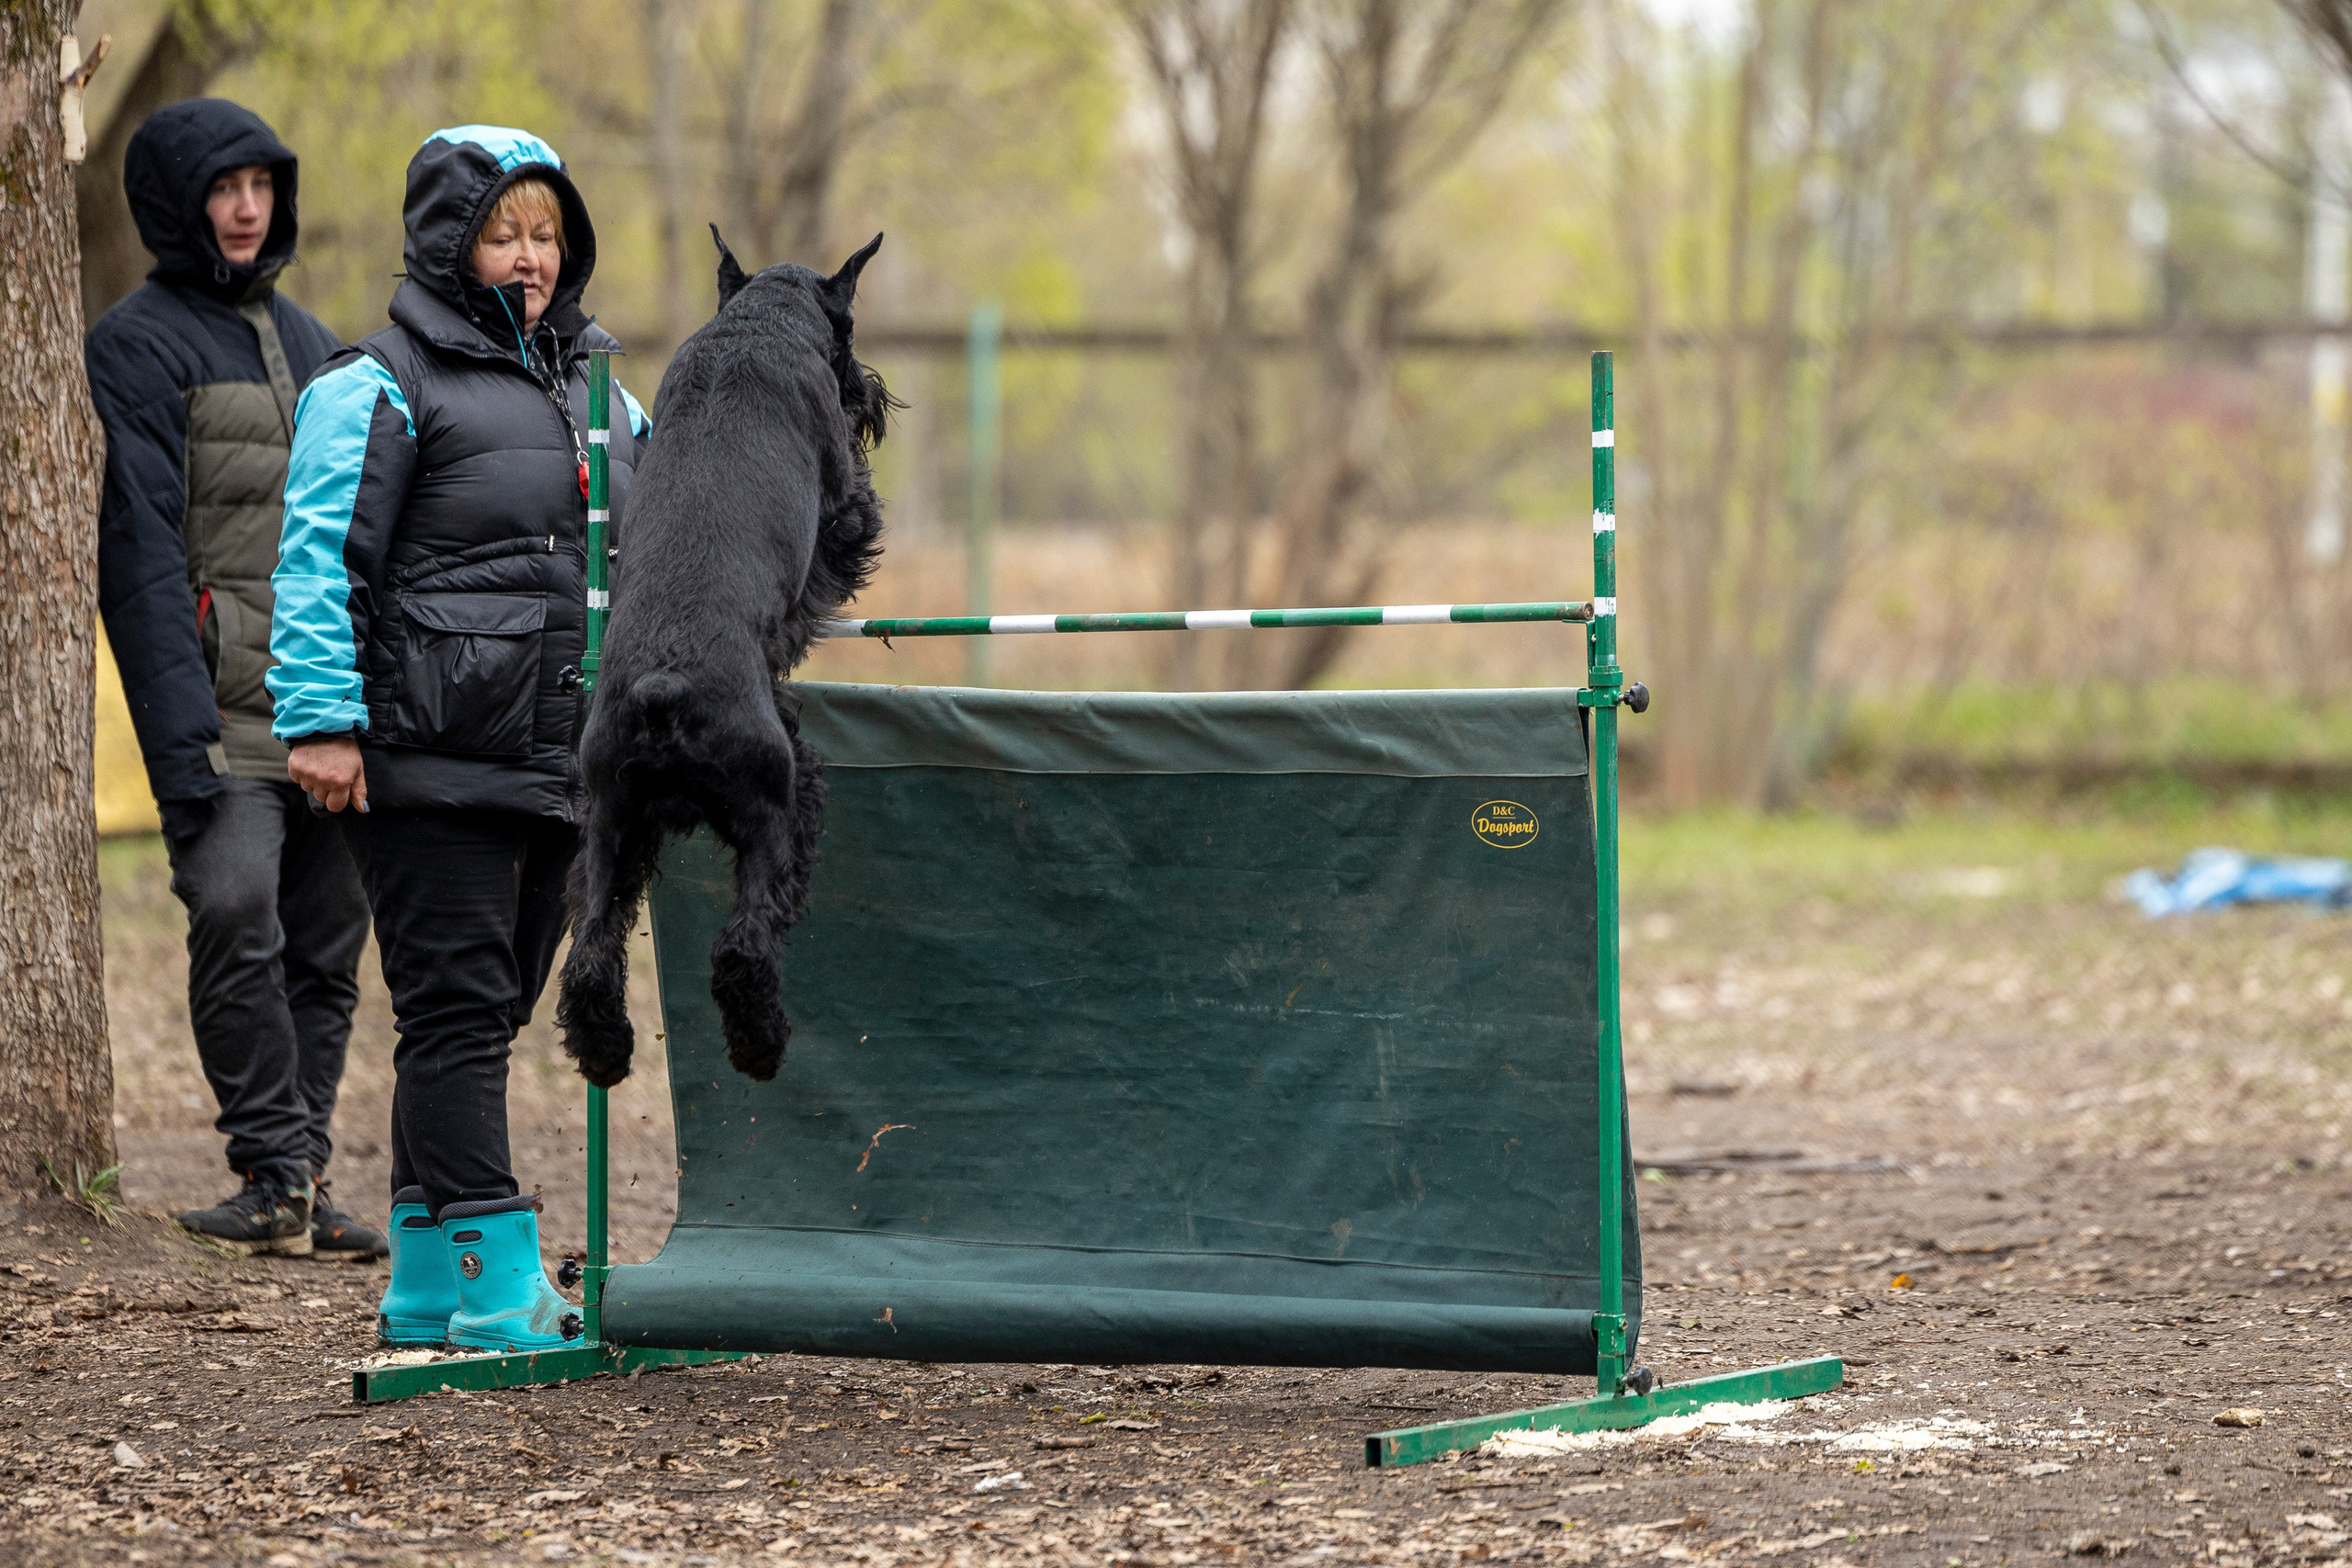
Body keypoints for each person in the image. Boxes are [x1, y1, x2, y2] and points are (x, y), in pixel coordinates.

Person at [269, 126, 650, 1350]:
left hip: (560, 761)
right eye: (505, 231)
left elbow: (652, 522)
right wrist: (323, 720)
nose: (529, 255)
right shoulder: (373, 380)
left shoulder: (600, 383)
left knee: (483, 1010)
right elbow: (321, 559)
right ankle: (500, 1284)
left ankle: (429, 1276)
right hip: (426, 758)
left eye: (545, 233)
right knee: (456, 1009)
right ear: (450, 239)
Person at [86, 99, 380, 1261]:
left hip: (324, 704)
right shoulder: (134, 345)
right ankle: (268, 1162)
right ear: (175, 201)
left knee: (328, 940)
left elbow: (362, 537)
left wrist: (368, 703)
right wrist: (177, 736)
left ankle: (298, 1177)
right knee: (233, 907)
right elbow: (140, 555)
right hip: (215, 712)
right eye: (223, 188)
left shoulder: (315, 344)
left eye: (262, 184)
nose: (248, 208)